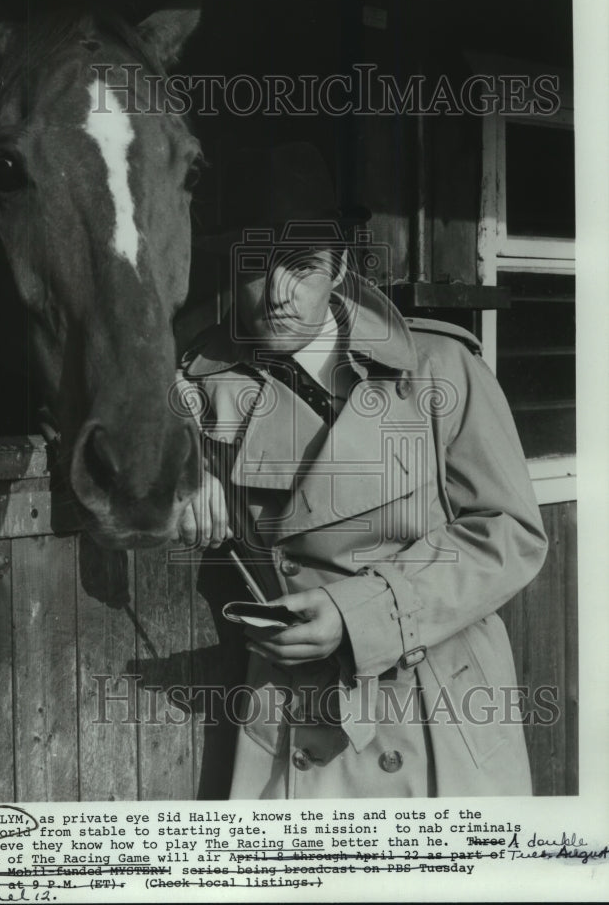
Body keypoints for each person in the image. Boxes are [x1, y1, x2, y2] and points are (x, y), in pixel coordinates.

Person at [176, 142, 548, 798]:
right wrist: (183, 459)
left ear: (340, 265)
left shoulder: (438, 367)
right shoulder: (196, 384)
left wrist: (359, 615)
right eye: (258, 267)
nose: (280, 294)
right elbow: (87, 414)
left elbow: (510, 532)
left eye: (304, 265)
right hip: (301, 718)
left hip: (438, 703)